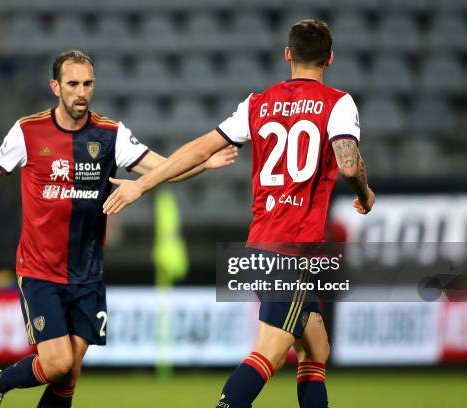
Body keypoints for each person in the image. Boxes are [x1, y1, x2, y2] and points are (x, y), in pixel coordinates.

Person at [103, 20, 375, 408]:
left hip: (261, 246)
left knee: (316, 349)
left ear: (287, 55)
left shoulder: (257, 104)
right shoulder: (338, 103)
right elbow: (349, 166)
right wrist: (365, 195)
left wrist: (142, 184)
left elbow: (199, 149)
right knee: (269, 352)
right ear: (329, 58)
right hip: (293, 250)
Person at [0, 50, 237, 408]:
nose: (81, 92)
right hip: (39, 270)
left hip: (88, 274)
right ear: (55, 87)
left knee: (68, 376)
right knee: (58, 362)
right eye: (73, 84)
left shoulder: (111, 135)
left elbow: (163, 169)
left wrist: (204, 162)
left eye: (88, 84)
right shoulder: (28, 131)